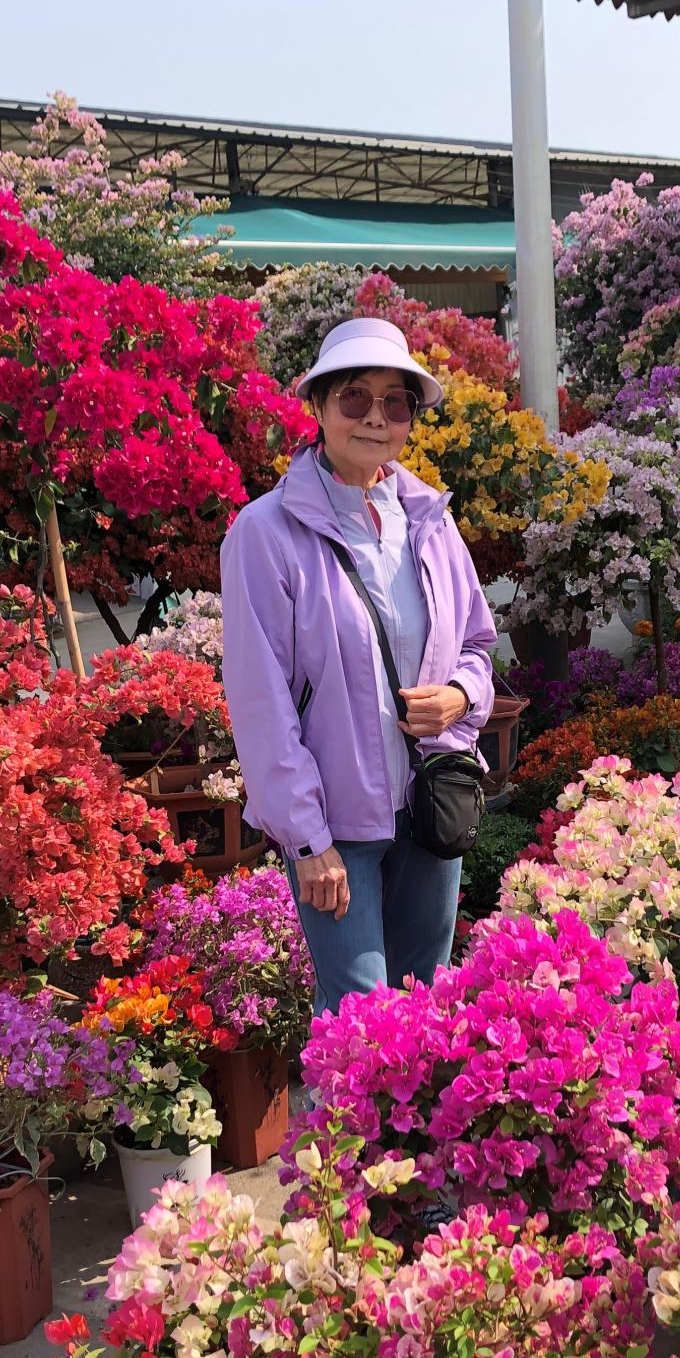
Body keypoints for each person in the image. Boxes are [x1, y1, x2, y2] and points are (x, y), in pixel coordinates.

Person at [220, 317, 496, 1016]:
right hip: (336, 825)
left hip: (430, 805)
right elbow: (260, 701)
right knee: (360, 1023)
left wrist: (460, 696)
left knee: (427, 1007)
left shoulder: (430, 521)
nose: (375, 417)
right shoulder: (265, 533)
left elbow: (476, 645)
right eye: (354, 397)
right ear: (318, 406)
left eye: (394, 402)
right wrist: (306, 839)